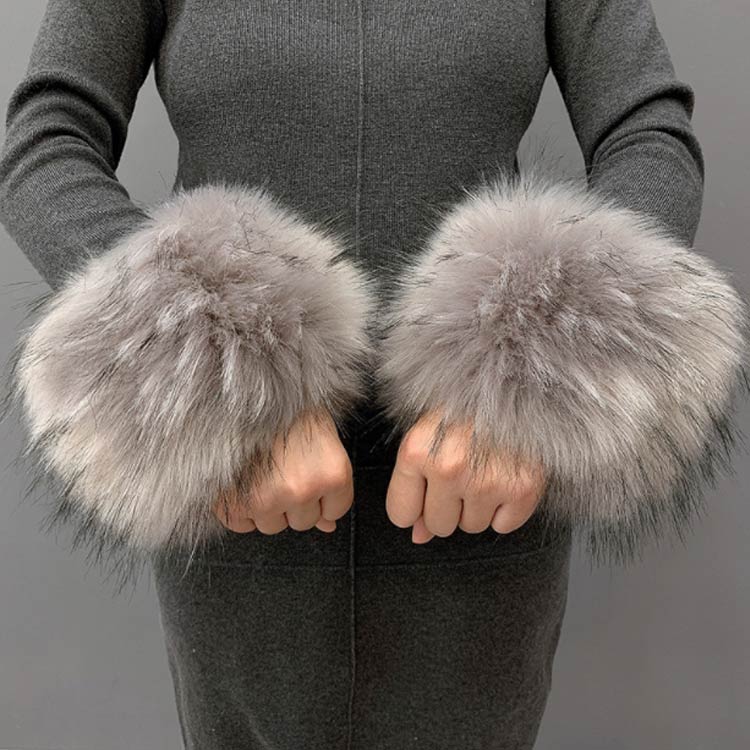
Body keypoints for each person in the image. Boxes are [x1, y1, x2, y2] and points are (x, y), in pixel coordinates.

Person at [0, 1, 746, 748]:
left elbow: (647, 130)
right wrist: (207, 362)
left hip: (479, 502)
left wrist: (540, 363)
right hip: (243, 510)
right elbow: (46, 137)